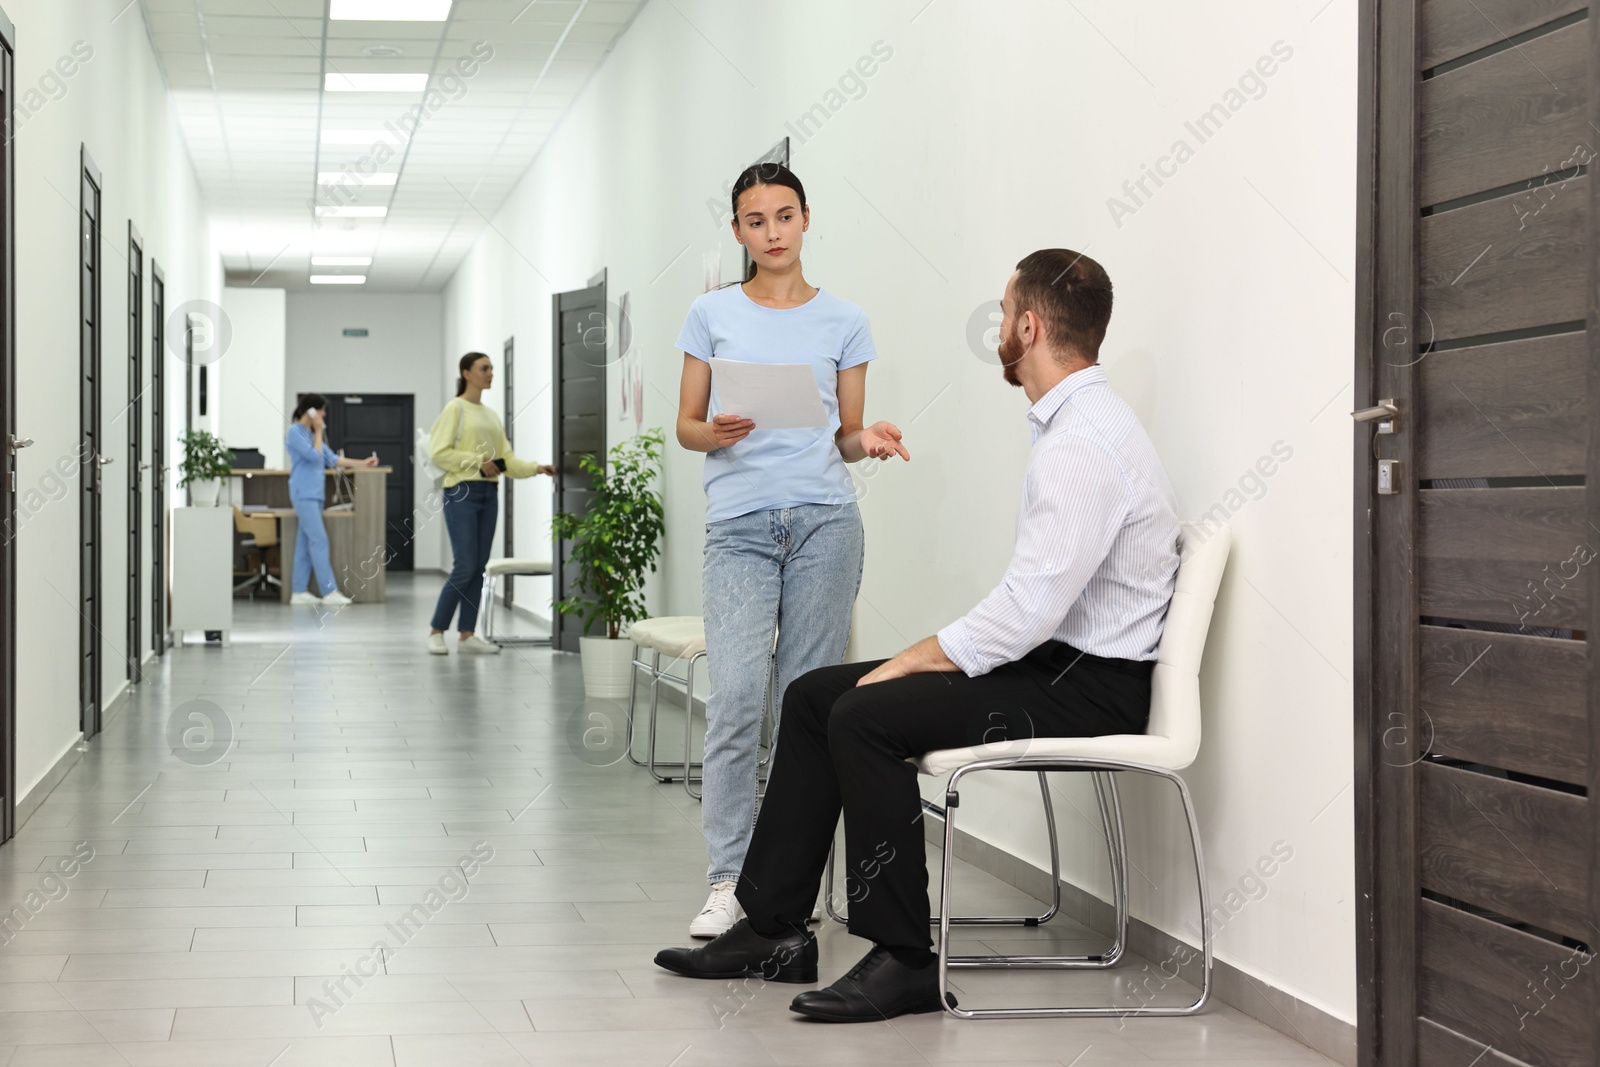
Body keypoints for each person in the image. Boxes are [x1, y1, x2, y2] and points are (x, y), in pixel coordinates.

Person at [654, 249, 1182, 1022]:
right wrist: (919, 660)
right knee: (810, 695)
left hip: (1088, 684)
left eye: (1004, 314)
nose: (998, 327)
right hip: (1054, 663)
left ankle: (904, 959)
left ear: (1029, 327)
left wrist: (913, 659)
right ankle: (773, 928)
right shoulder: (1076, 423)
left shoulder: (1081, 444)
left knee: (864, 713)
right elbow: (1033, 611)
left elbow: (1028, 610)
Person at [674, 162, 910, 940]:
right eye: (754, 220)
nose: (771, 232)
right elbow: (687, 424)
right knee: (738, 696)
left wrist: (866, 440)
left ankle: (788, 884)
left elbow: (843, 434)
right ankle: (726, 880)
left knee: (803, 707)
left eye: (783, 216)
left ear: (806, 219)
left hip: (823, 524)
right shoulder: (710, 312)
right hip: (739, 525)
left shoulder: (846, 320)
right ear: (737, 230)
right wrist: (716, 432)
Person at [426, 351, 556, 656]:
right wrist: (477, 461)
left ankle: (468, 634)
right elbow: (438, 453)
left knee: (479, 566)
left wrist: (537, 468)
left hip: (489, 494)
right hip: (461, 492)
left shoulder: (491, 415)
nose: (490, 373)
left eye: (492, 369)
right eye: (484, 368)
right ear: (466, 373)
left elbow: (506, 460)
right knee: (465, 565)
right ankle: (436, 630)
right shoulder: (454, 409)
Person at [285, 393, 378, 607]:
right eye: (321, 410)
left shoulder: (309, 434)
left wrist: (363, 463)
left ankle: (298, 591)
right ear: (310, 410)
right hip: (303, 493)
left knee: (305, 543)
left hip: (315, 494)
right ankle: (329, 591)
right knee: (319, 540)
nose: (324, 415)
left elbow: (332, 459)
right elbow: (314, 456)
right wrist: (318, 430)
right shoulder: (295, 433)